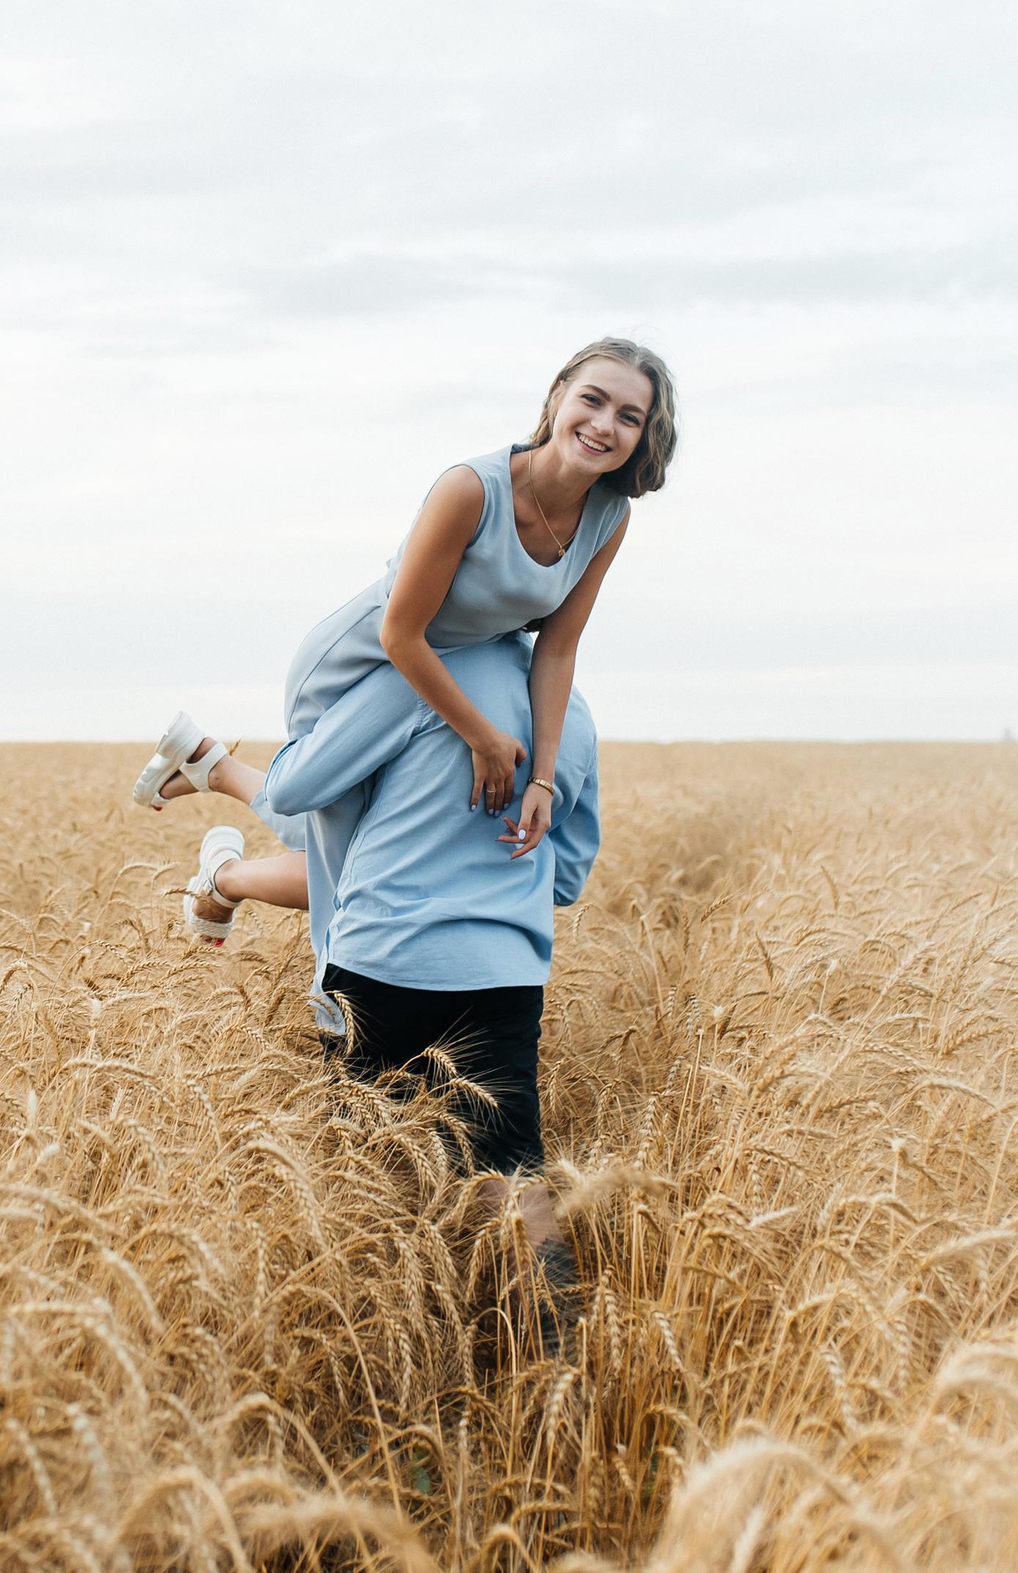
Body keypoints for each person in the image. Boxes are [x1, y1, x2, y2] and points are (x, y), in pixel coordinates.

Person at [132, 336, 676, 957]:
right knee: (342, 850)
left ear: (643, 436)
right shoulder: (470, 489)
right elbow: (399, 633)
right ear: (557, 397)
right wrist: (484, 738)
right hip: (366, 662)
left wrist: (543, 781)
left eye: (629, 416)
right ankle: (319, 990)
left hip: (464, 663)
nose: (604, 425)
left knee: (389, 849)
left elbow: (556, 649)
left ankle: (214, 782)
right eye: (593, 400)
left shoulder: (610, 514)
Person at [238, 632, 601, 1266]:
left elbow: (293, 790)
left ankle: (371, 1316)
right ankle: (549, 1322)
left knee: (363, 1179)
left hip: (382, 961)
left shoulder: (421, 676)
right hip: (501, 973)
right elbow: (566, 880)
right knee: (511, 1175)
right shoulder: (572, 715)